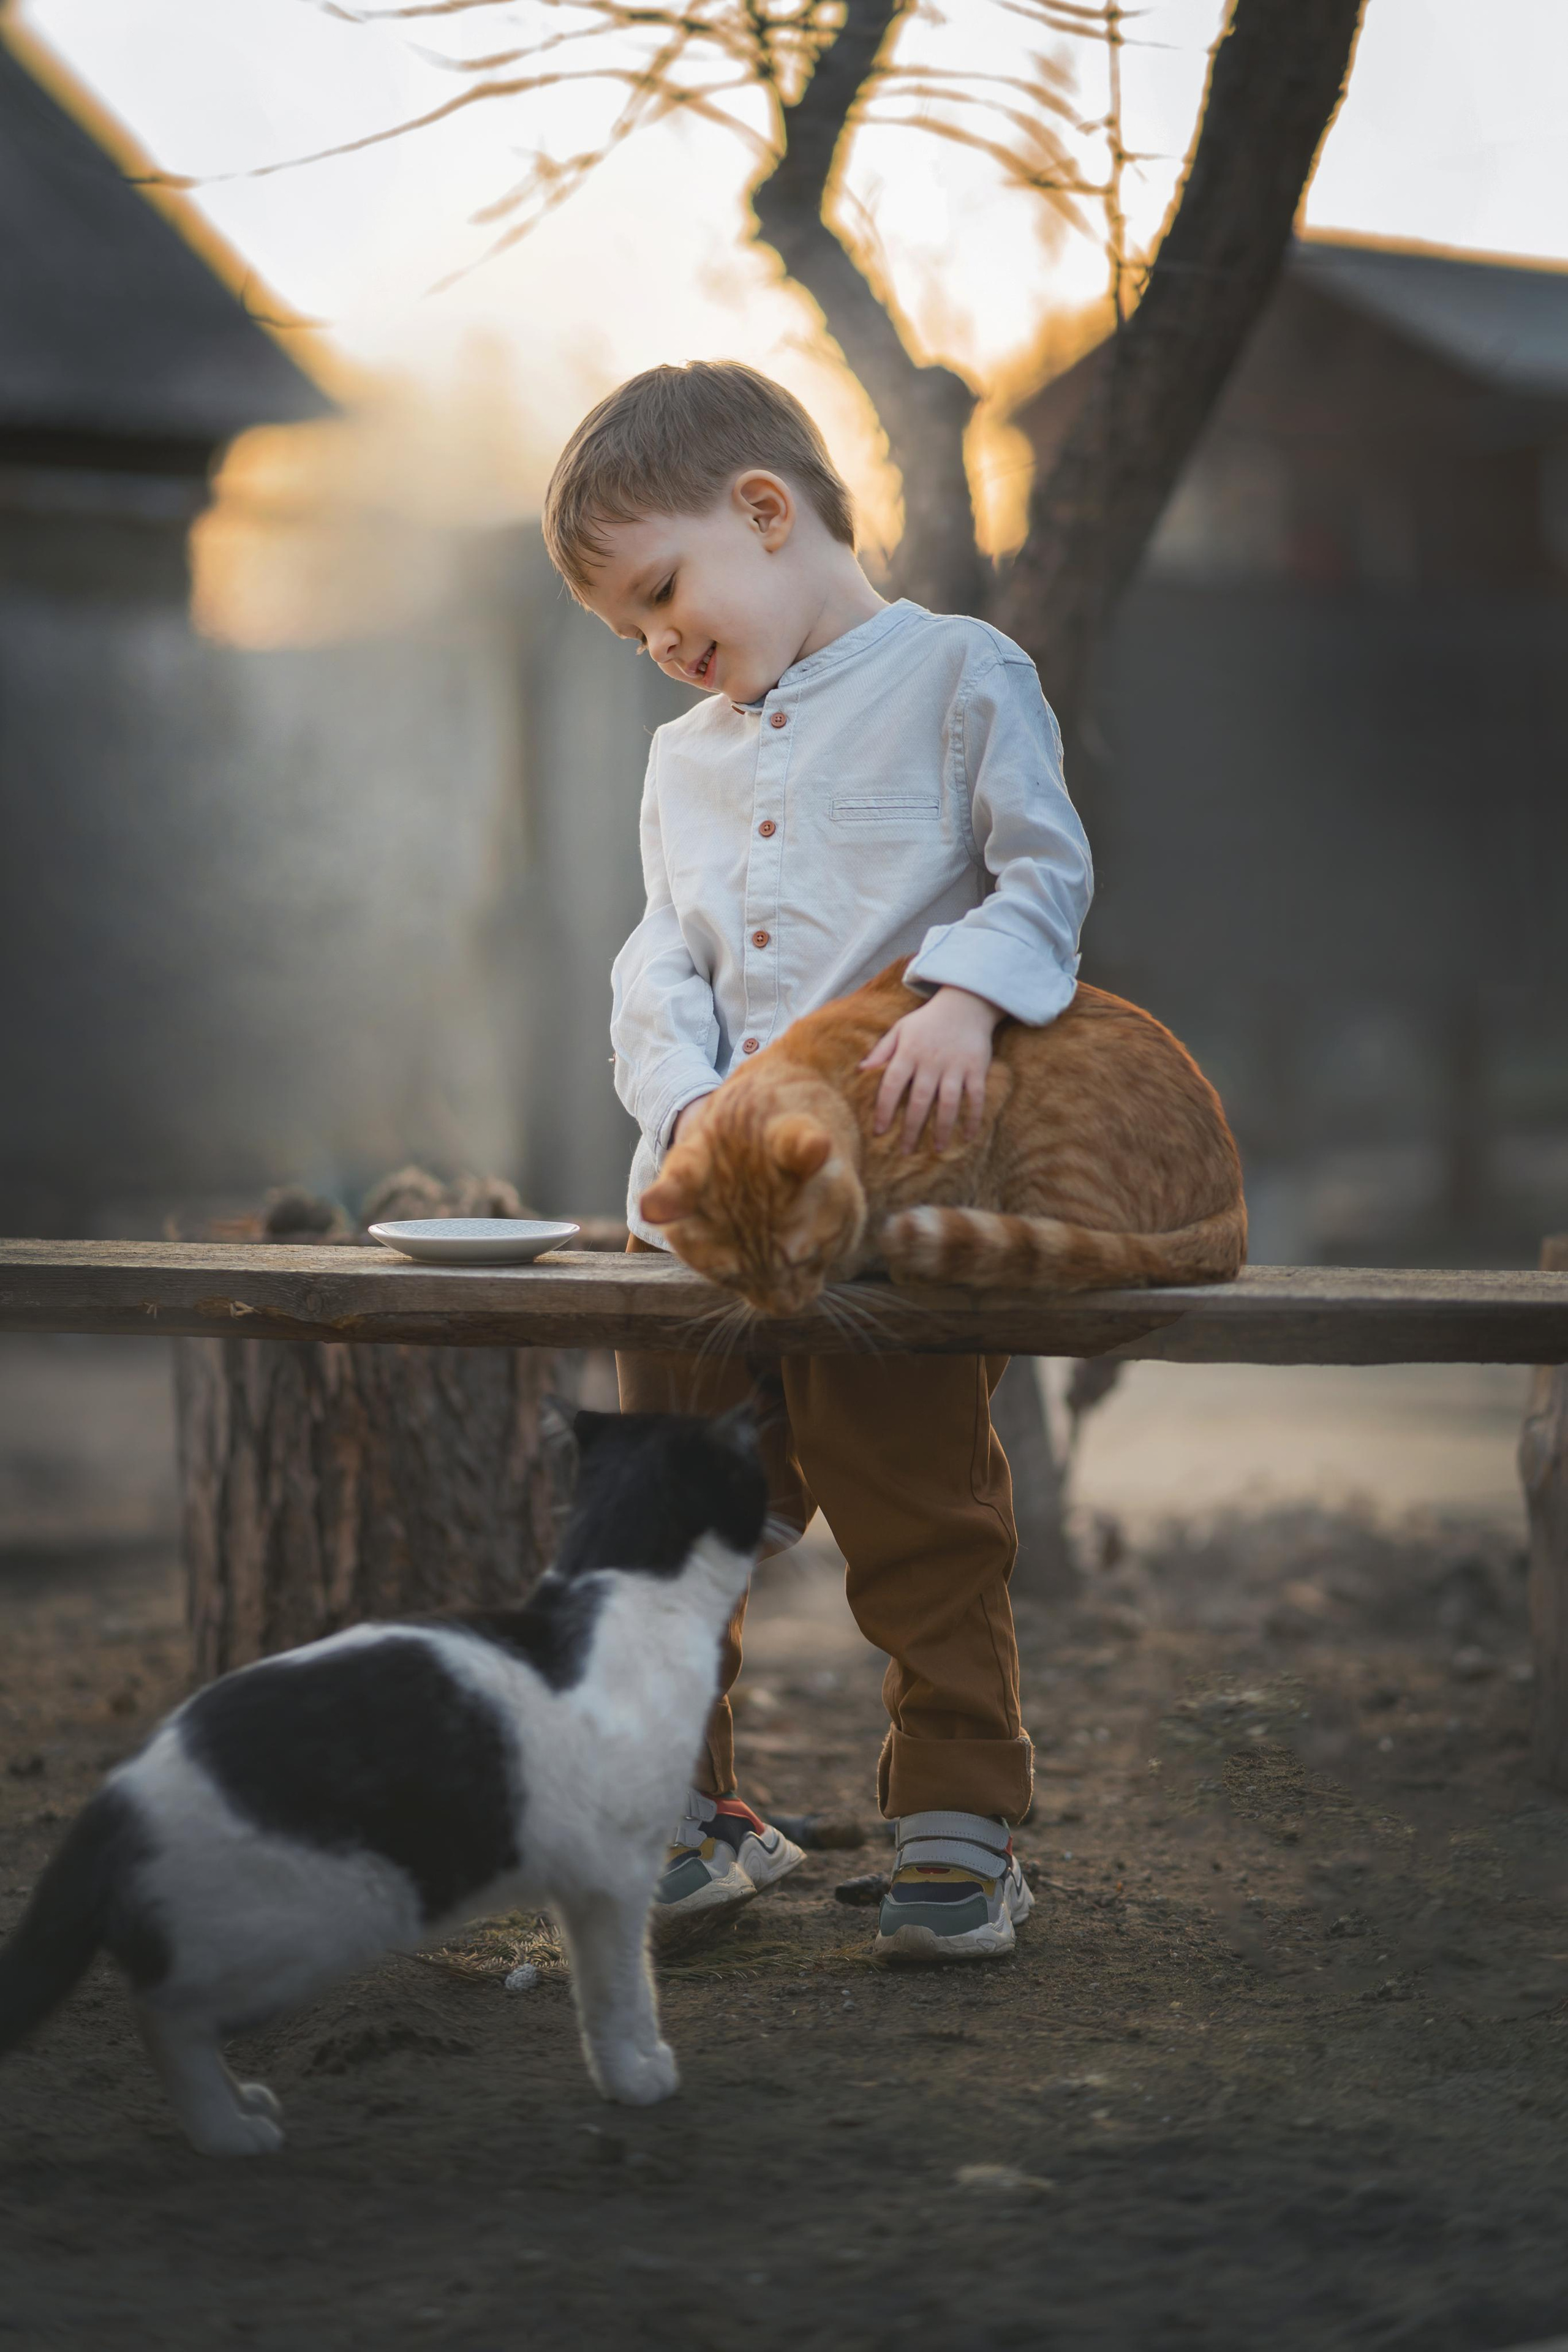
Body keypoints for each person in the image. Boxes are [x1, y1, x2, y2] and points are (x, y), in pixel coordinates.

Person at [541, 360, 1092, 1963]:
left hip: (891, 1196)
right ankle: (680, 1814)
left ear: (768, 511)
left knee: (924, 1516)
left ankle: (958, 1826)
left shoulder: (961, 673)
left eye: (663, 592)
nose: (661, 645)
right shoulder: (683, 760)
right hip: (703, 1211)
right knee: (658, 1521)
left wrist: (967, 1001)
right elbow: (661, 954)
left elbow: (1043, 872)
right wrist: (679, 1104)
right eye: (630, 632)